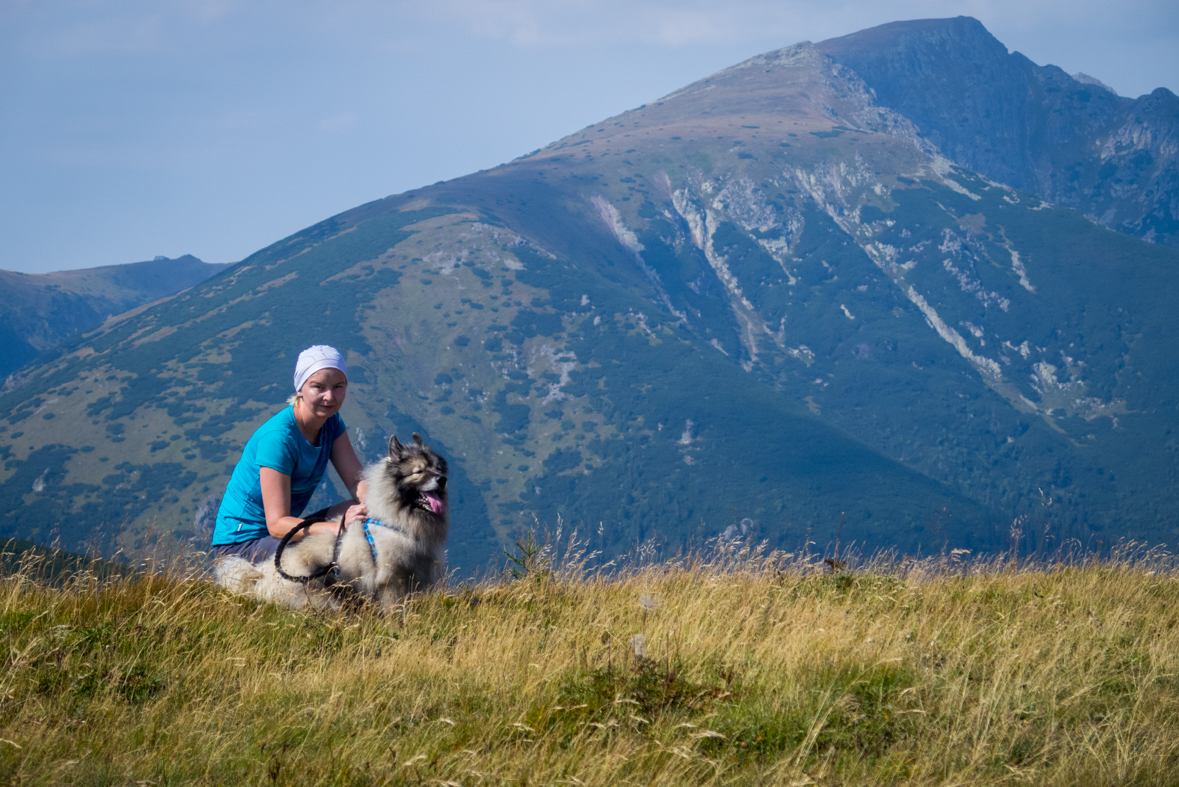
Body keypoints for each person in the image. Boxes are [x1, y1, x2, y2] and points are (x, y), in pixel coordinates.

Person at [211, 345, 368, 564]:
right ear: (300, 389)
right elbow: (276, 525)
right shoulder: (278, 439)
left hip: (278, 536)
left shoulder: (332, 423)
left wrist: (378, 506)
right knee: (334, 547)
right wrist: (337, 528)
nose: (329, 396)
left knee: (362, 512)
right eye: (318, 387)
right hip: (241, 546)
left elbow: (356, 482)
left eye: (338, 386)